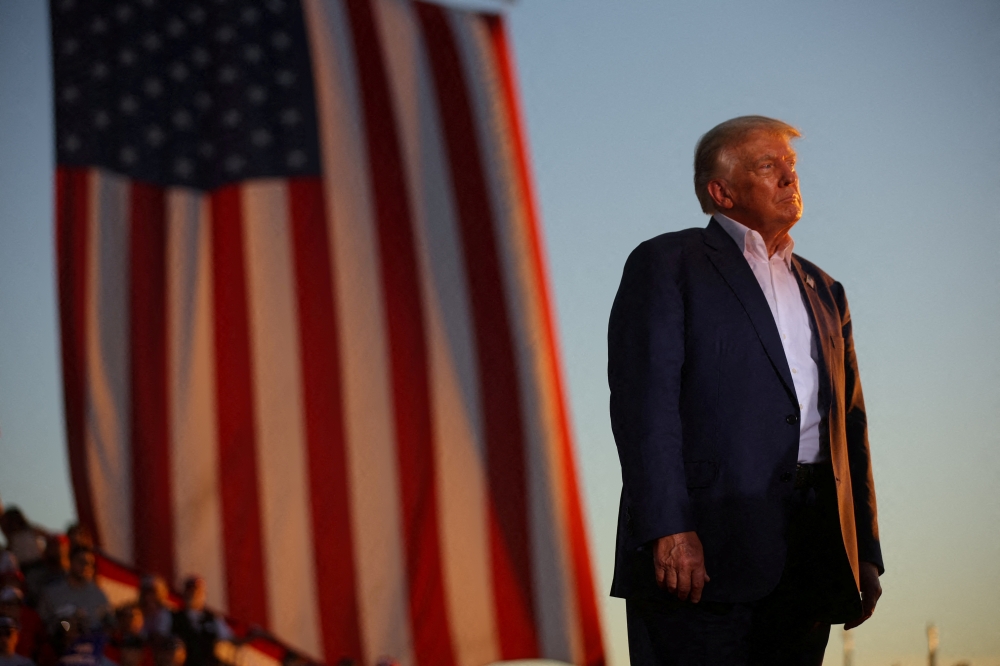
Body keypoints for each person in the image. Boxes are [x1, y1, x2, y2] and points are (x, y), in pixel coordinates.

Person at [608, 116, 883, 665]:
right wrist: (668, 527)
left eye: (792, 166)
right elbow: (645, 407)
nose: (789, 178)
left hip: (811, 554)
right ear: (721, 191)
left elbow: (850, 429)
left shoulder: (827, 289)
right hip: (701, 552)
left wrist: (865, 553)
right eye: (768, 166)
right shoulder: (667, 263)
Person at [37, 548, 109, 633]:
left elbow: (108, 626)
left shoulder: (99, 596)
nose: (86, 566)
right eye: (81, 561)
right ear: (70, 562)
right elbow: (40, 624)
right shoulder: (52, 593)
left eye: (90, 564)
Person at [167, 577, 232, 666]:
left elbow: (230, 639)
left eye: (197, 591)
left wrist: (250, 637)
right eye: (190, 591)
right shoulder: (172, 617)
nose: (193, 594)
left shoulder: (213, 618)